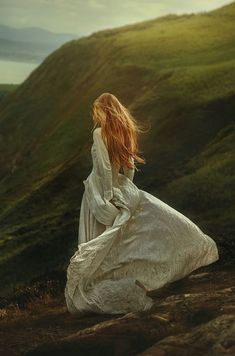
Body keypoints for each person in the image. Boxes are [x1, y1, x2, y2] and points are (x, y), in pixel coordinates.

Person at [64, 92, 219, 315]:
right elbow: (128, 167)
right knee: (122, 238)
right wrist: (125, 188)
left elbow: (105, 168)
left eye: (96, 110)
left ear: (103, 110)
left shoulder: (100, 133)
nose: (95, 115)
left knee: (102, 238)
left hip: (100, 191)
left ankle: (97, 282)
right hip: (121, 186)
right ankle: (118, 276)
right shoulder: (125, 131)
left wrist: (107, 196)